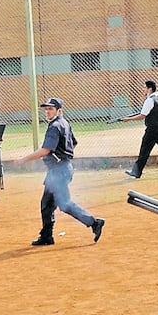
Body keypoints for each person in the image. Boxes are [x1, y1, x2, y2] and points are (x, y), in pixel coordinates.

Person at [16, 98, 105, 246]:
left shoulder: (55, 126)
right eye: (46, 109)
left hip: (59, 171)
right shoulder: (64, 124)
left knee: (63, 204)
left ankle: (94, 222)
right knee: (47, 204)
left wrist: (23, 160)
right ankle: (46, 236)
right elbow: (74, 143)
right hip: (60, 169)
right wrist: (63, 156)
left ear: (59, 111)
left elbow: (45, 150)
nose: (47, 111)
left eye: (51, 109)